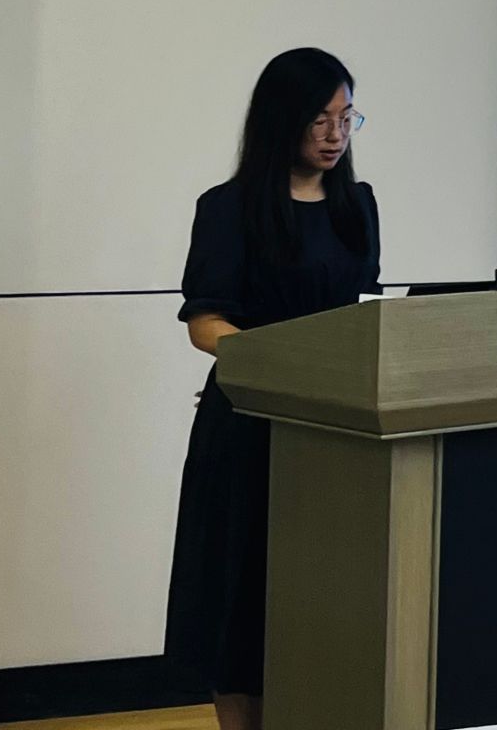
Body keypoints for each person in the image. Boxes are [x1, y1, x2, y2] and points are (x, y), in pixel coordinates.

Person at [166, 49, 381, 730]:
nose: (335, 135)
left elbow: (363, 309)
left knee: (322, 590)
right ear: (281, 120)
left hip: (338, 426)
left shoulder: (357, 206)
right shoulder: (228, 208)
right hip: (250, 425)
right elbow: (206, 323)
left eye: (347, 118)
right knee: (242, 593)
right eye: (319, 120)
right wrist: (280, 362)